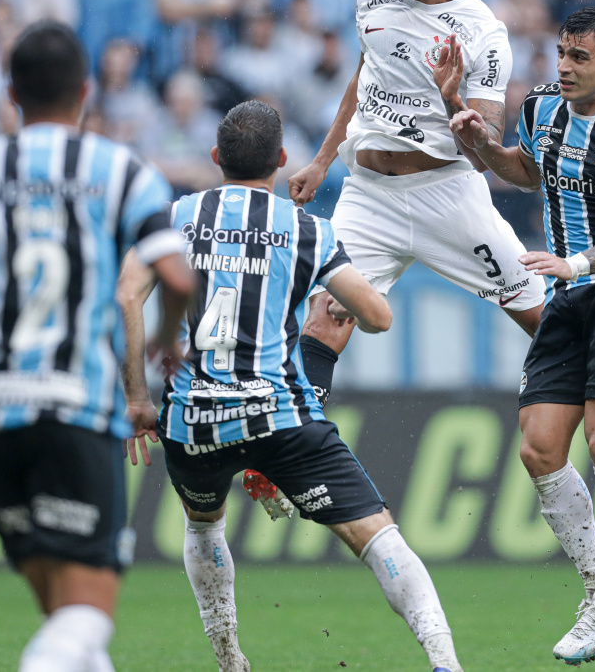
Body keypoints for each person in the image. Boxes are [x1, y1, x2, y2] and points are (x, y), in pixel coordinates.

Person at [254, 0, 595, 519]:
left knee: (548, 318)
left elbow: (485, 136)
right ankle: (288, 467)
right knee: (326, 318)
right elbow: (363, 72)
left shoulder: (482, 34)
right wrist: (323, 159)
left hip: (446, 195)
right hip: (368, 194)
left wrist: (451, 96)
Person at [123, 100, 464, 672]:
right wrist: (341, 292)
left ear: (214, 158)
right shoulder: (307, 229)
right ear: (281, 160)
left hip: (193, 419)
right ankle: (445, 661)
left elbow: (128, 296)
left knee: (203, 525)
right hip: (278, 415)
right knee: (377, 537)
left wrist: (136, 397)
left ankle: (231, 659)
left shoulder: (174, 216)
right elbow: (376, 316)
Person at [0, 21, 194, 672]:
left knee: (66, 617)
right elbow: (177, 277)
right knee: (87, 612)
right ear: (86, 91)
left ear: (12, 92)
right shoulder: (119, 170)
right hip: (75, 410)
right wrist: (166, 339)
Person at [448, 6, 595, 664]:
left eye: (579, 57)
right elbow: (524, 171)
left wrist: (576, 262)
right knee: (537, 447)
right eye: (560, 53)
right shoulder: (541, 107)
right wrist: (478, 144)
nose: (563, 66)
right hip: (567, 293)